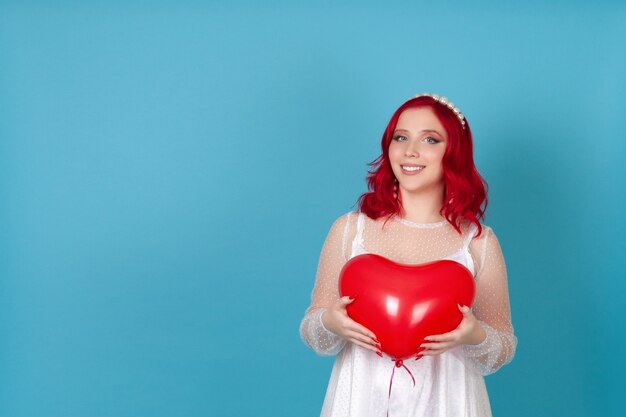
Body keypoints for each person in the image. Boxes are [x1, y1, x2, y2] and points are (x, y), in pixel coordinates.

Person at [299, 93, 518, 417]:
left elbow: (502, 347)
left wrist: (476, 335)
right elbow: (313, 332)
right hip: (362, 399)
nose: (410, 151)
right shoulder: (349, 230)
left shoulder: (478, 242)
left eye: (430, 139)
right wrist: (331, 322)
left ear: (453, 152)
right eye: (401, 137)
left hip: (447, 401)